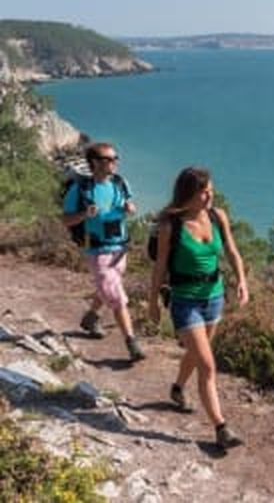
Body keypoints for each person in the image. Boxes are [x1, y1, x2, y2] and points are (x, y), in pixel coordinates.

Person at [148, 167, 249, 450]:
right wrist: (153, 302)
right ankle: (221, 428)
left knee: (195, 356)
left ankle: (177, 388)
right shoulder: (172, 226)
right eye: (203, 191)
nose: (210, 195)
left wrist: (241, 280)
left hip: (215, 297)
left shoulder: (218, 216)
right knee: (207, 364)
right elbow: (159, 268)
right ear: (188, 194)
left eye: (211, 190)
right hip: (185, 301)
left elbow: (231, 251)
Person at [62, 142, 145, 362]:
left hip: (120, 247)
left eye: (115, 158)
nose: (115, 163)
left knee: (109, 287)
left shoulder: (120, 183)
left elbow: (129, 205)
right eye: (109, 159)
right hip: (97, 250)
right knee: (116, 296)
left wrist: (130, 208)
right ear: (95, 163)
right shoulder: (80, 190)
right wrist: (84, 215)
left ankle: (91, 317)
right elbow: (66, 219)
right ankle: (131, 342)